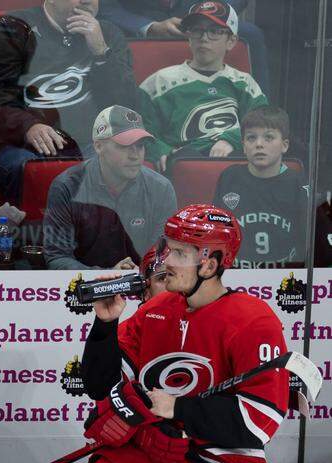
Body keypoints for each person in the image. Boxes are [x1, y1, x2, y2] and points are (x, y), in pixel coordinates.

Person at [63, 204, 289, 463]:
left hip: (219, 462)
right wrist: (105, 326)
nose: (165, 260)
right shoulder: (157, 309)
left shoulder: (253, 320)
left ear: (209, 265)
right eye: (168, 248)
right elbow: (101, 386)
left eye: (180, 254)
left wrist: (178, 408)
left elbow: (261, 419)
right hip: (150, 447)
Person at [0, 0, 137, 159]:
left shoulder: (107, 34)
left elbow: (127, 102)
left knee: (129, 166)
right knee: (23, 165)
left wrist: (101, 53)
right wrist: (28, 126)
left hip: (92, 142)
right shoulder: (14, 28)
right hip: (26, 143)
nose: (87, 0)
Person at [137, 1, 267, 171]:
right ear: (189, 38)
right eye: (197, 31)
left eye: (214, 31)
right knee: (185, 161)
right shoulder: (160, 81)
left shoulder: (243, 82)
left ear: (231, 41)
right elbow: (141, 130)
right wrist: (163, 151)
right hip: (184, 159)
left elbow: (263, 121)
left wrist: (230, 140)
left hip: (235, 158)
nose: (204, 38)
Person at [44, 105, 176, 270]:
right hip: (83, 288)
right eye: (124, 146)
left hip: (142, 285)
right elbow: (57, 257)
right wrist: (107, 276)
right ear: (98, 147)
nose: (135, 155)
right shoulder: (66, 186)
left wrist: (140, 271)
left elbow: (162, 255)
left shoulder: (161, 189)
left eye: (140, 146)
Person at [101, 0, 270, 98]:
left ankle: (262, 119)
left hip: (204, 12)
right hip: (138, 19)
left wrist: (203, 16)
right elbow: (104, 5)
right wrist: (148, 26)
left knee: (250, 34)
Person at [211, 106, 306, 269]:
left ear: (284, 145)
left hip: (285, 275)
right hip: (236, 274)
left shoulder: (298, 185)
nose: (259, 144)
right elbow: (216, 232)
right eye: (251, 138)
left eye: (268, 138)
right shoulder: (229, 177)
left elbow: (307, 243)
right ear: (243, 145)